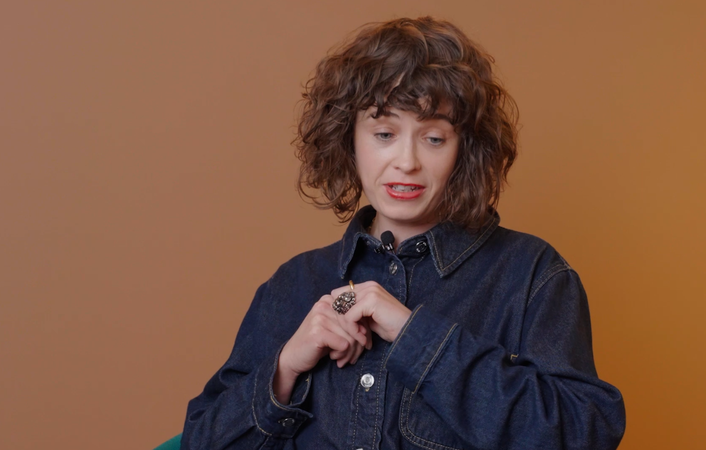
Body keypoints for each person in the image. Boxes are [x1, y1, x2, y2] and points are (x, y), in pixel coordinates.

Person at [181, 16, 625, 450]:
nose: (407, 161)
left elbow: (583, 433)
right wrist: (285, 368)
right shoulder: (292, 284)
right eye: (385, 133)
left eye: (433, 138)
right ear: (349, 141)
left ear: (465, 150)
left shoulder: (531, 276)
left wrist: (414, 335)